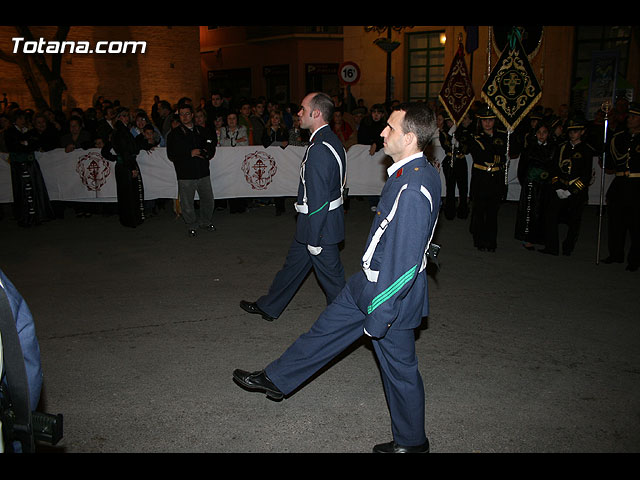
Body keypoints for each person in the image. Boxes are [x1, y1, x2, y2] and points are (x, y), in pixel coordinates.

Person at [233, 102, 441, 454]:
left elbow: (404, 264)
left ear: (409, 137)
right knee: (323, 332)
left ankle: (412, 442)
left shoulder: (415, 185)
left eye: (389, 128)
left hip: (388, 296)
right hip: (367, 283)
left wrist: (381, 314)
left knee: (400, 372)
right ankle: (276, 379)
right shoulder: (408, 173)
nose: (382, 132)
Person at [239, 92, 347, 322]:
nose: (298, 113)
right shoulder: (329, 139)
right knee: (293, 267)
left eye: (302, 108)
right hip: (313, 224)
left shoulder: (319, 149)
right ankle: (270, 306)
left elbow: (319, 201)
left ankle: (347, 324)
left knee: (334, 284)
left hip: (320, 227)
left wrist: (315, 239)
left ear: (316, 113)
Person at [540, 116, 596, 256]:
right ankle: (552, 246)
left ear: (582, 132)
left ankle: (568, 247)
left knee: (574, 221)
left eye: (576, 131)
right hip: (560, 188)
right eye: (571, 131)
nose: (572, 134)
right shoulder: (562, 147)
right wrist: (558, 186)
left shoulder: (586, 150)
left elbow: (586, 175)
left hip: (576, 191)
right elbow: (554, 169)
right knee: (551, 216)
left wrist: (572, 190)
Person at [166, 103, 217, 237]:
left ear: (192, 115)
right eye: (181, 114)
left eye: (187, 113)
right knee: (187, 203)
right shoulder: (174, 134)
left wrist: (206, 153)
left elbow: (211, 146)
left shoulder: (202, 130)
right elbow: (171, 154)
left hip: (203, 172)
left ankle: (205, 222)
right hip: (185, 174)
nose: (184, 117)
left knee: (208, 200)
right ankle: (191, 225)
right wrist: (189, 153)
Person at [602, 101, 640, 272]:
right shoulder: (620, 137)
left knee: (636, 224)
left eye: (634, 117)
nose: (630, 120)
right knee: (616, 222)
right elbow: (611, 161)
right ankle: (615, 254)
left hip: (637, 185)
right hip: (620, 184)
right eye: (629, 117)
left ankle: (634, 259)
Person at [466, 106, 508, 251]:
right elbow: (484, 155)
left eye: (490, 120)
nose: (488, 123)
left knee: (492, 212)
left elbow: (507, 153)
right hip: (481, 178)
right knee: (479, 211)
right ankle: (479, 240)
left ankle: (491, 242)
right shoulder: (475, 138)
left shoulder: (502, 136)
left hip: (496, 178)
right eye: (485, 121)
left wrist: (512, 135)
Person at [100, 107, 146, 228]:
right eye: (124, 115)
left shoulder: (122, 131)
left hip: (124, 164)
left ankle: (130, 219)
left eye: (127, 115)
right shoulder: (121, 132)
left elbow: (130, 148)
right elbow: (125, 151)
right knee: (129, 194)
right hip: (126, 166)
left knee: (128, 193)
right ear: (119, 117)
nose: (127, 117)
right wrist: (131, 167)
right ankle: (131, 220)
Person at [514, 121, 556, 250]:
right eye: (539, 133)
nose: (541, 135)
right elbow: (522, 168)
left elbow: (554, 167)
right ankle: (528, 239)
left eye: (544, 133)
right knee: (530, 212)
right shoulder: (530, 148)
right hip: (531, 184)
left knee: (544, 211)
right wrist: (527, 181)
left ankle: (541, 237)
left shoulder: (553, 148)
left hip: (546, 184)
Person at [440, 111, 472, 220]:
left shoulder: (464, 131)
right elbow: (445, 146)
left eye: (452, 121)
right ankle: (450, 212)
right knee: (450, 187)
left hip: (461, 160)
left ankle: (463, 211)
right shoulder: (443, 132)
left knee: (463, 188)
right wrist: (449, 137)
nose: (450, 123)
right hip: (450, 161)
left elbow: (467, 149)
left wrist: (458, 144)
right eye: (448, 121)